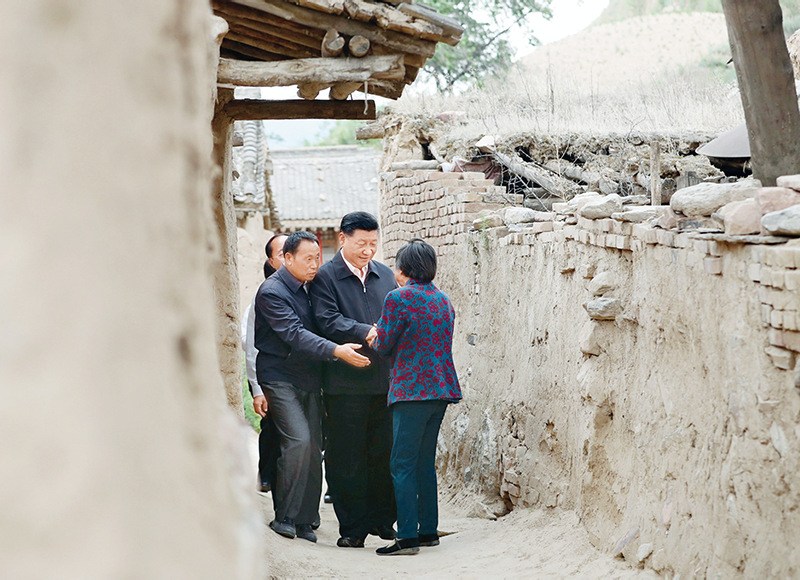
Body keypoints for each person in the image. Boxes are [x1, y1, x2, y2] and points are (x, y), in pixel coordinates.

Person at [254, 231, 370, 543]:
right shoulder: (272, 292)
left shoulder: (311, 286)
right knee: (299, 441)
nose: (314, 264)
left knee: (315, 445)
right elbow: (294, 334)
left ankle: (306, 520)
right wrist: (337, 351)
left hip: (310, 376)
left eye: (317, 258)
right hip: (279, 376)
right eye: (307, 259)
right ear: (287, 258)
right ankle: (285, 517)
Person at [309, 212, 398, 548]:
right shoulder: (325, 277)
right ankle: (353, 528)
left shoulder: (384, 275)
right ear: (342, 238)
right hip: (344, 385)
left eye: (373, 243)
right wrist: (366, 331)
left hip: (384, 382)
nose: (368, 251)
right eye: (361, 243)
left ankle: (382, 520)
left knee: (383, 453)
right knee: (346, 457)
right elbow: (326, 320)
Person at [369, 239, 462, 556]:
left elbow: (384, 345)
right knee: (424, 463)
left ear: (403, 269)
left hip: (411, 391)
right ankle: (428, 530)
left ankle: (407, 536)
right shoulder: (443, 300)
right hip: (441, 389)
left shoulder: (398, 298)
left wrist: (375, 333)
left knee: (402, 464)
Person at [242, 234, 287, 494]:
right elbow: (250, 344)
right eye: (282, 253)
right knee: (271, 426)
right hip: (268, 375)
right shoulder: (263, 297)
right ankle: (267, 473)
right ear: (271, 261)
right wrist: (257, 388)